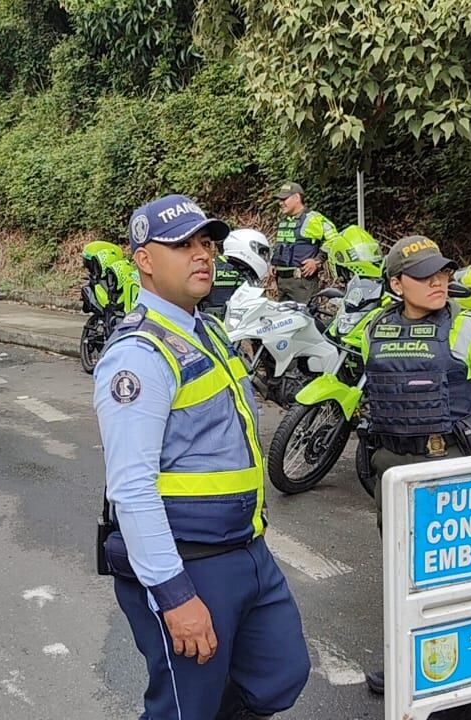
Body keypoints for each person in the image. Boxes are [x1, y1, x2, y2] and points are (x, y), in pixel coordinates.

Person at [94, 194, 310, 720]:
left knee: (281, 673)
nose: (202, 254)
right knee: (185, 707)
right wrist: (173, 595)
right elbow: (132, 488)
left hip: (245, 549)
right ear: (144, 259)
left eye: (207, 243)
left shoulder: (207, 330)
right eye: (183, 244)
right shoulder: (138, 356)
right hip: (188, 563)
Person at [360, 235, 471, 720]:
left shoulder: (470, 329)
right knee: (402, 573)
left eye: (443, 273)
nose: (438, 281)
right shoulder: (374, 328)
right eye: (425, 275)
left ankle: (461, 688)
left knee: (455, 576)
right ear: (395, 284)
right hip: (391, 466)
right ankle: (408, 662)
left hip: (448, 464)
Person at [270, 181, 341, 302]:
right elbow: (282, 245)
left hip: (302, 282)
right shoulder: (284, 220)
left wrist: (317, 261)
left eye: (284, 199)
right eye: (279, 200)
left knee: (306, 319)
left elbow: (334, 239)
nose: (280, 203)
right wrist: (273, 262)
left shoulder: (312, 218)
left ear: (297, 197)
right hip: (282, 282)